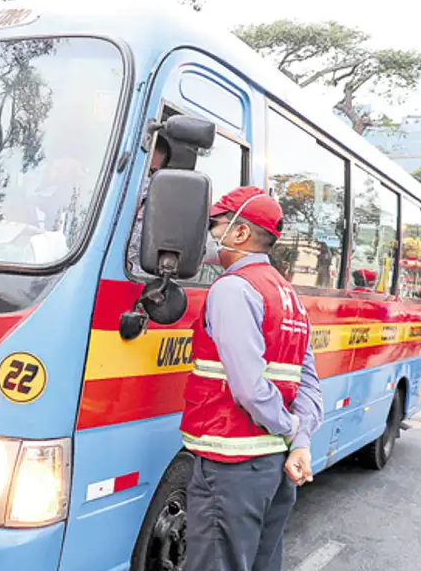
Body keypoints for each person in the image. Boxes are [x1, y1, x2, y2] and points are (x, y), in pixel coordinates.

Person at [180, 186, 324, 571]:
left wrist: (290, 428)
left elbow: (249, 387)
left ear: (240, 233)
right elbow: (308, 381)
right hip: (273, 467)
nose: (210, 234)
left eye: (215, 225)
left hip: (231, 466)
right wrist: (299, 441)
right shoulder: (288, 296)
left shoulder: (233, 289)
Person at [127, 136, 172, 271]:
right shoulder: (89, 196)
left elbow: (155, 272)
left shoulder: (158, 220)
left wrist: (129, 267)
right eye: (136, 168)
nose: (142, 177)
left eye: (150, 172)